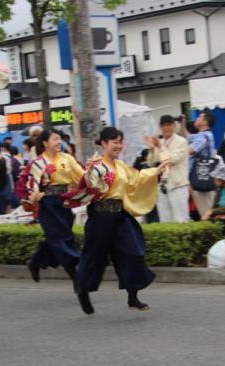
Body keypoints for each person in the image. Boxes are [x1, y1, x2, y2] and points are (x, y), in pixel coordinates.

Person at [65, 127, 170, 314]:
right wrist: (89, 176)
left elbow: (137, 178)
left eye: (120, 142)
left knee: (133, 252)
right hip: (100, 217)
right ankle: (82, 290)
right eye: (115, 142)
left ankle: (132, 297)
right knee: (93, 258)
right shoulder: (96, 166)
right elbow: (89, 191)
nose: (118, 146)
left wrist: (156, 171)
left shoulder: (121, 166)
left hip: (120, 216)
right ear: (104, 143)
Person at [24, 129, 84, 282]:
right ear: (45, 143)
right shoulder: (39, 162)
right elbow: (33, 182)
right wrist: (35, 194)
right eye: (55, 139)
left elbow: (81, 176)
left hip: (64, 201)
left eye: (59, 139)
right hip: (49, 203)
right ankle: (77, 276)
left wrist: (93, 174)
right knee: (62, 237)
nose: (59, 142)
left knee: (58, 237)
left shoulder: (67, 158)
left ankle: (35, 262)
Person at [150, 115, 191, 223]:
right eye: (163, 125)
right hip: (163, 185)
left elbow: (170, 159)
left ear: (174, 125)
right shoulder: (161, 142)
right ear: (160, 126)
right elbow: (151, 162)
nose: (166, 128)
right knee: (165, 221)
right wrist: (152, 148)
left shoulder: (181, 141)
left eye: (168, 125)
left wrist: (159, 146)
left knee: (181, 220)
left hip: (178, 184)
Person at [187, 112, 217, 220]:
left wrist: (175, 153)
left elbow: (190, 150)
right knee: (204, 211)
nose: (197, 118)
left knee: (205, 213)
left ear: (205, 122)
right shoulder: (204, 135)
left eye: (199, 117)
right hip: (203, 176)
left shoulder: (203, 136)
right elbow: (188, 137)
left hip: (200, 177)